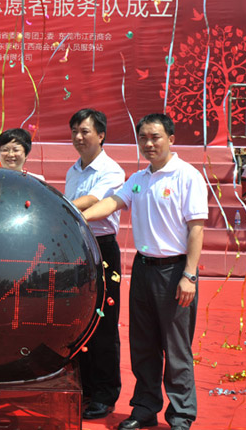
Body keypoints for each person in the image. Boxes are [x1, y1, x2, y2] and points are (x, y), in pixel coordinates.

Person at [82, 113, 208, 430]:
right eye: (143, 138)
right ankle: (145, 408)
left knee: (176, 347)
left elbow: (196, 228)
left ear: (171, 139)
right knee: (143, 345)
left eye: (155, 137)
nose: (149, 144)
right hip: (143, 269)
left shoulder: (187, 176)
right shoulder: (138, 179)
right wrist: (80, 216)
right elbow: (113, 202)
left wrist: (189, 275)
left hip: (174, 271)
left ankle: (181, 414)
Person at [64, 108, 125, 420]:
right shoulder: (73, 170)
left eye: (85, 131)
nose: (78, 137)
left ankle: (104, 393)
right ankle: (83, 387)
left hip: (101, 249)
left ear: (101, 135)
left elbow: (92, 201)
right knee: (76, 320)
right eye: (75, 131)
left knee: (103, 322)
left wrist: (57, 207)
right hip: (76, 248)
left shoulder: (111, 170)